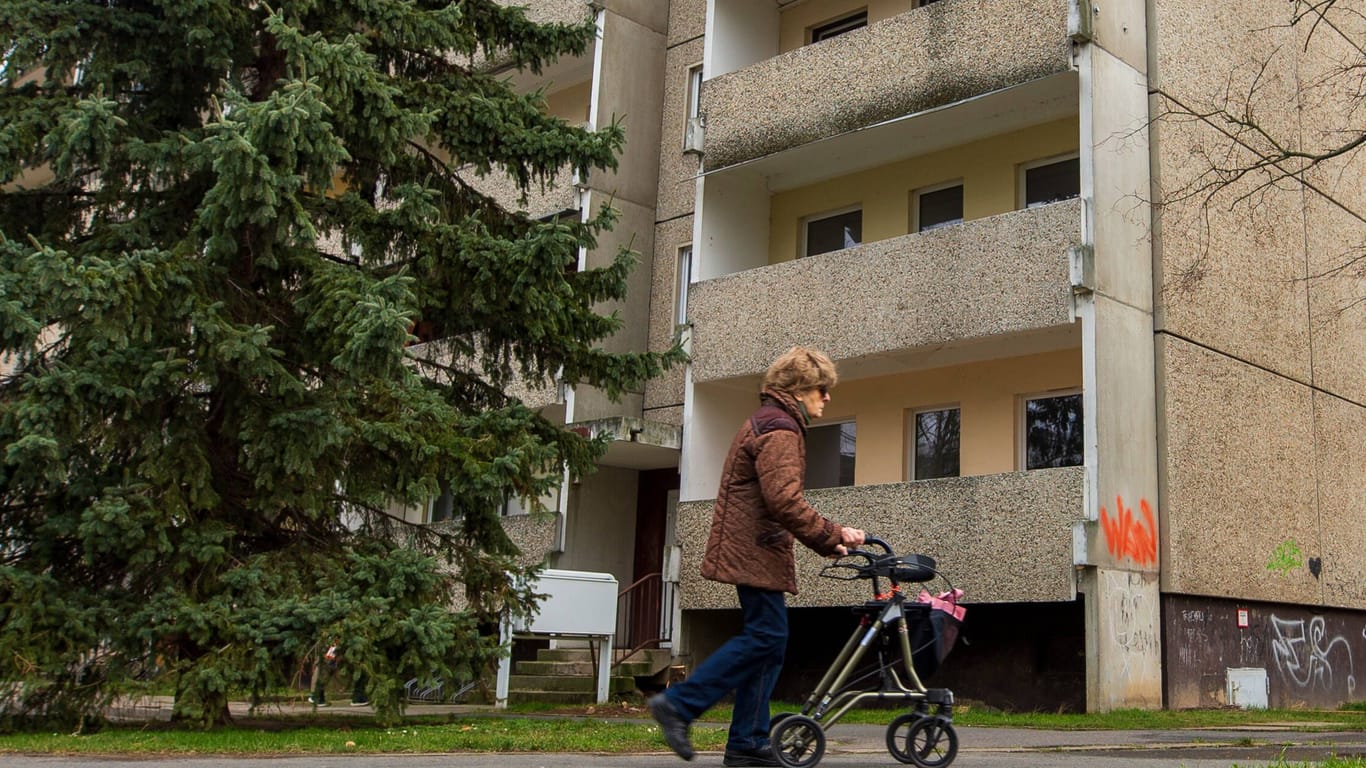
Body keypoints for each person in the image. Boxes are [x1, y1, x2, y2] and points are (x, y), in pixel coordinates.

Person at [649, 346, 866, 767]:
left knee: (771, 642)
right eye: (822, 389)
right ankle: (679, 705)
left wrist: (827, 539)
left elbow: (778, 502)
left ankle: (747, 741)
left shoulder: (770, 421)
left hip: (755, 546)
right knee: (766, 637)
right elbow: (784, 501)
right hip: (755, 549)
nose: (827, 398)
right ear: (800, 388)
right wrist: (833, 533)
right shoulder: (781, 428)